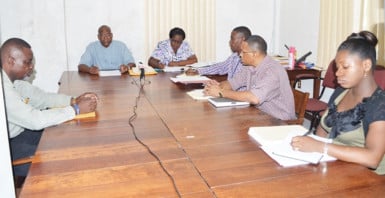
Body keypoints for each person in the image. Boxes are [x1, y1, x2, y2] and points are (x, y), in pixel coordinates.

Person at [1, 38, 98, 177]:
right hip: (7, 148)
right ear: (11, 61)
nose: (31, 67)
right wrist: (75, 110)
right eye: (27, 62)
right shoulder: (3, 89)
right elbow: (35, 120)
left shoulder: (14, 82)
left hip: (21, 133)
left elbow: (42, 98)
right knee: (57, 159)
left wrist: (73, 100)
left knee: (61, 136)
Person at [291, 31, 385, 175]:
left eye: (345, 67)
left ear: (366, 65)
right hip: (335, 166)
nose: (337, 73)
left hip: (366, 180)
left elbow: (372, 158)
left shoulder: (379, 104)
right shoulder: (341, 92)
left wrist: (320, 147)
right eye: (337, 67)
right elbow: (322, 130)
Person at [204, 35, 296, 121]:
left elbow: (254, 98)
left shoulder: (272, 71)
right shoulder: (250, 67)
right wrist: (217, 87)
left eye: (244, 52)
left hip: (279, 121)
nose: (240, 55)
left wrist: (221, 92)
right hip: (259, 115)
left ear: (254, 54)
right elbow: (233, 83)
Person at [185, 26, 251, 82]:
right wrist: (198, 71)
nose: (230, 42)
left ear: (243, 40)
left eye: (232, 39)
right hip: (230, 93)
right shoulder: (234, 56)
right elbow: (221, 67)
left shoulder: (249, 60)